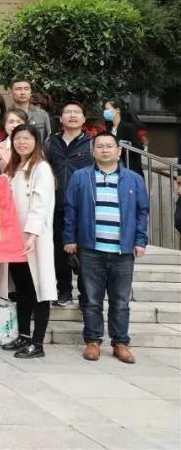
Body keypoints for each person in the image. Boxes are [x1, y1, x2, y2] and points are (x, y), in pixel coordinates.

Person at [64, 132, 150, 364]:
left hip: (122, 251)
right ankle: (93, 341)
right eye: (100, 146)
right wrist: (69, 238)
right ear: (93, 151)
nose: (105, 150)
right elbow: (71, 209)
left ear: (118, 151)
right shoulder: (81, 177)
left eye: (109, 146)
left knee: (120, 301)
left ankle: (120, 342)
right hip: (91, 249)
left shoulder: (133, 179)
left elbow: (142, 212)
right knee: (92, 299)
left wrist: (140, 240)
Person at [2, 124, 57, 359]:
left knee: (40, 289)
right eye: (17, 139)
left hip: (34, 238)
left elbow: (40, 204)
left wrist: (32, 234)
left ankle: (38, 343)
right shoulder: (14, 168)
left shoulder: (40, 168)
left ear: (36, 142)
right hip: (15, 237)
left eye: (26, 138)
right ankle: (24, 335)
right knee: (23, 289)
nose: (21, 143)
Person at [45, 102, 93, 309]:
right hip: (55, 204)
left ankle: (85, 293)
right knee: (58, 250)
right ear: (60, 118)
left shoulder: (92, 143)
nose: (72, 115)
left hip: (84, 206)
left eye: (77, 112)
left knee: (85, 251)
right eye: (68, 112)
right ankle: (63, 290)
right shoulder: (50, 142)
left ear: (84, 119)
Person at [103, 98, 144, 177]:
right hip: (113, 170)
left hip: (128, 169)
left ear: (117, 110)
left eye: (107, 109)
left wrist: (120, 147)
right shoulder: (109, 127)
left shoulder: (129, 127)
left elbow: (138, 148)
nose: (105, 111)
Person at [0, 108, 29, 173]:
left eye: (19, 122)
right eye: (11, 122)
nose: (15, 125)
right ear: (4, 125)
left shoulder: (33, 146)